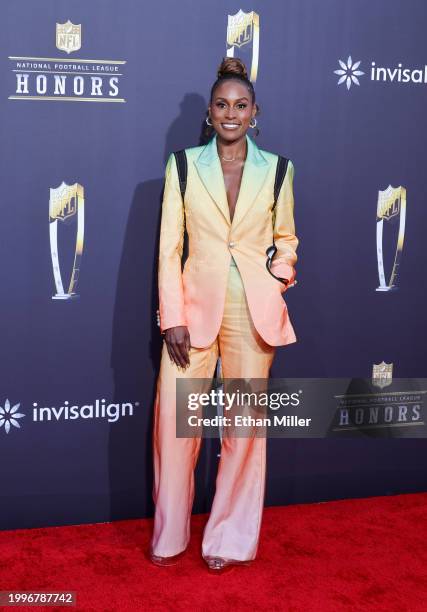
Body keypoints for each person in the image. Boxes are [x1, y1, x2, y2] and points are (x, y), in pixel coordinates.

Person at [150, 57, 299, 572]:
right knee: (177, 427)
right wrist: (172, 316)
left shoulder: (279, 169)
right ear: (210, 113)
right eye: (222, 105)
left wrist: (278, 278)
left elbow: (287, 240)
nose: (230, 114)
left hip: (253, 314)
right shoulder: (184, 166)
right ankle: (170, 536)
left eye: (240, 105)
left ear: (254, 112)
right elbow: (170, 246)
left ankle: (229, 541)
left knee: (243, 428)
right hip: (191, 311)